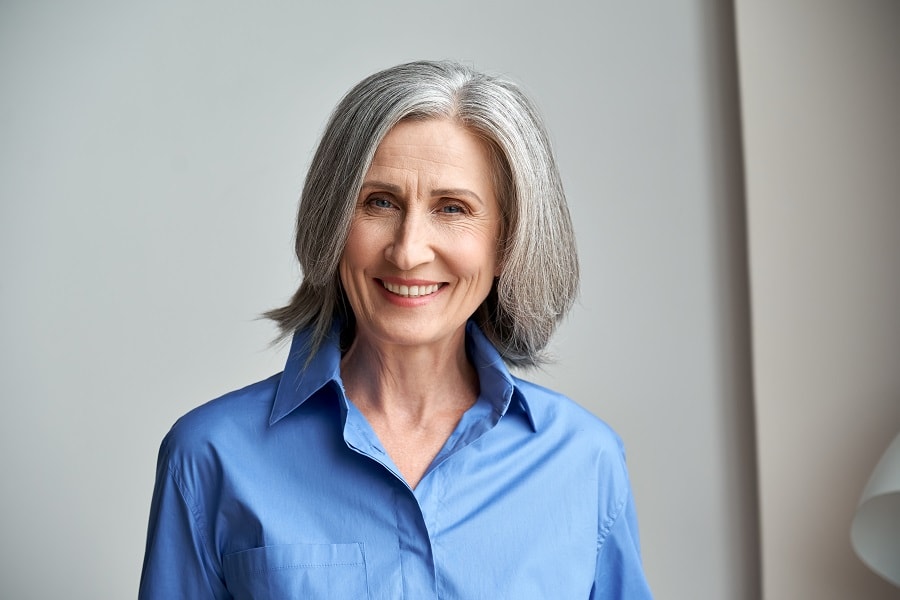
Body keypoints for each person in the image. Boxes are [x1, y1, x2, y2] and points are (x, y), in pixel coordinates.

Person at [139, 60, 653, 599]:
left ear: (507, 244)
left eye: (452, 208)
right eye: (379, 202)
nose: (408, 251)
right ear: (333, 224)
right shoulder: (208, 456)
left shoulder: (584, 461)